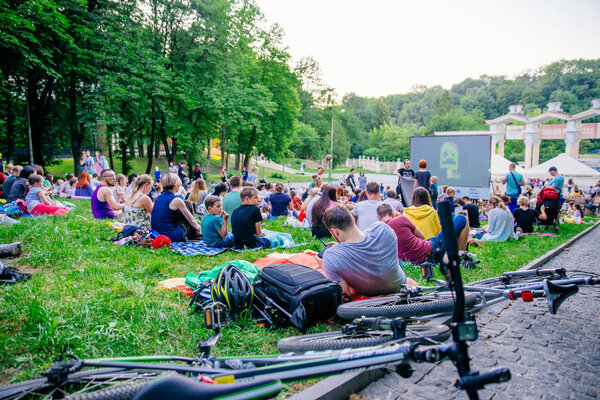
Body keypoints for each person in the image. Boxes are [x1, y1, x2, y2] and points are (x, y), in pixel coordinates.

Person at [317, 204, 412, 297]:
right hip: (398, 284)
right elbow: (363, 244)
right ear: (353, 219)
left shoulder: (330, 256)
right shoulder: (384, 229)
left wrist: (324, 265)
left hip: (369, 293)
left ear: (334, 231)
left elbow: (344, 294)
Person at [377, 203, 469, 264]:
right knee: (462, 218)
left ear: (378, 217)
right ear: (393, 214)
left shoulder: (378, 231)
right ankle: (460, 255)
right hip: (429, 249)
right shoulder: (400, 219)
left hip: (412, 261)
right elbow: (422, 236)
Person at [151, 173, 201, 241]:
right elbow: (191, 220)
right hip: (171, 236)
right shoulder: (177, 200)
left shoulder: (158, 198)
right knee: (187, 204)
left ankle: (195, 235)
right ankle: (196, 236)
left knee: (184, 205)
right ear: (176, 185)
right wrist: (199, 228)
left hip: (157, 234)